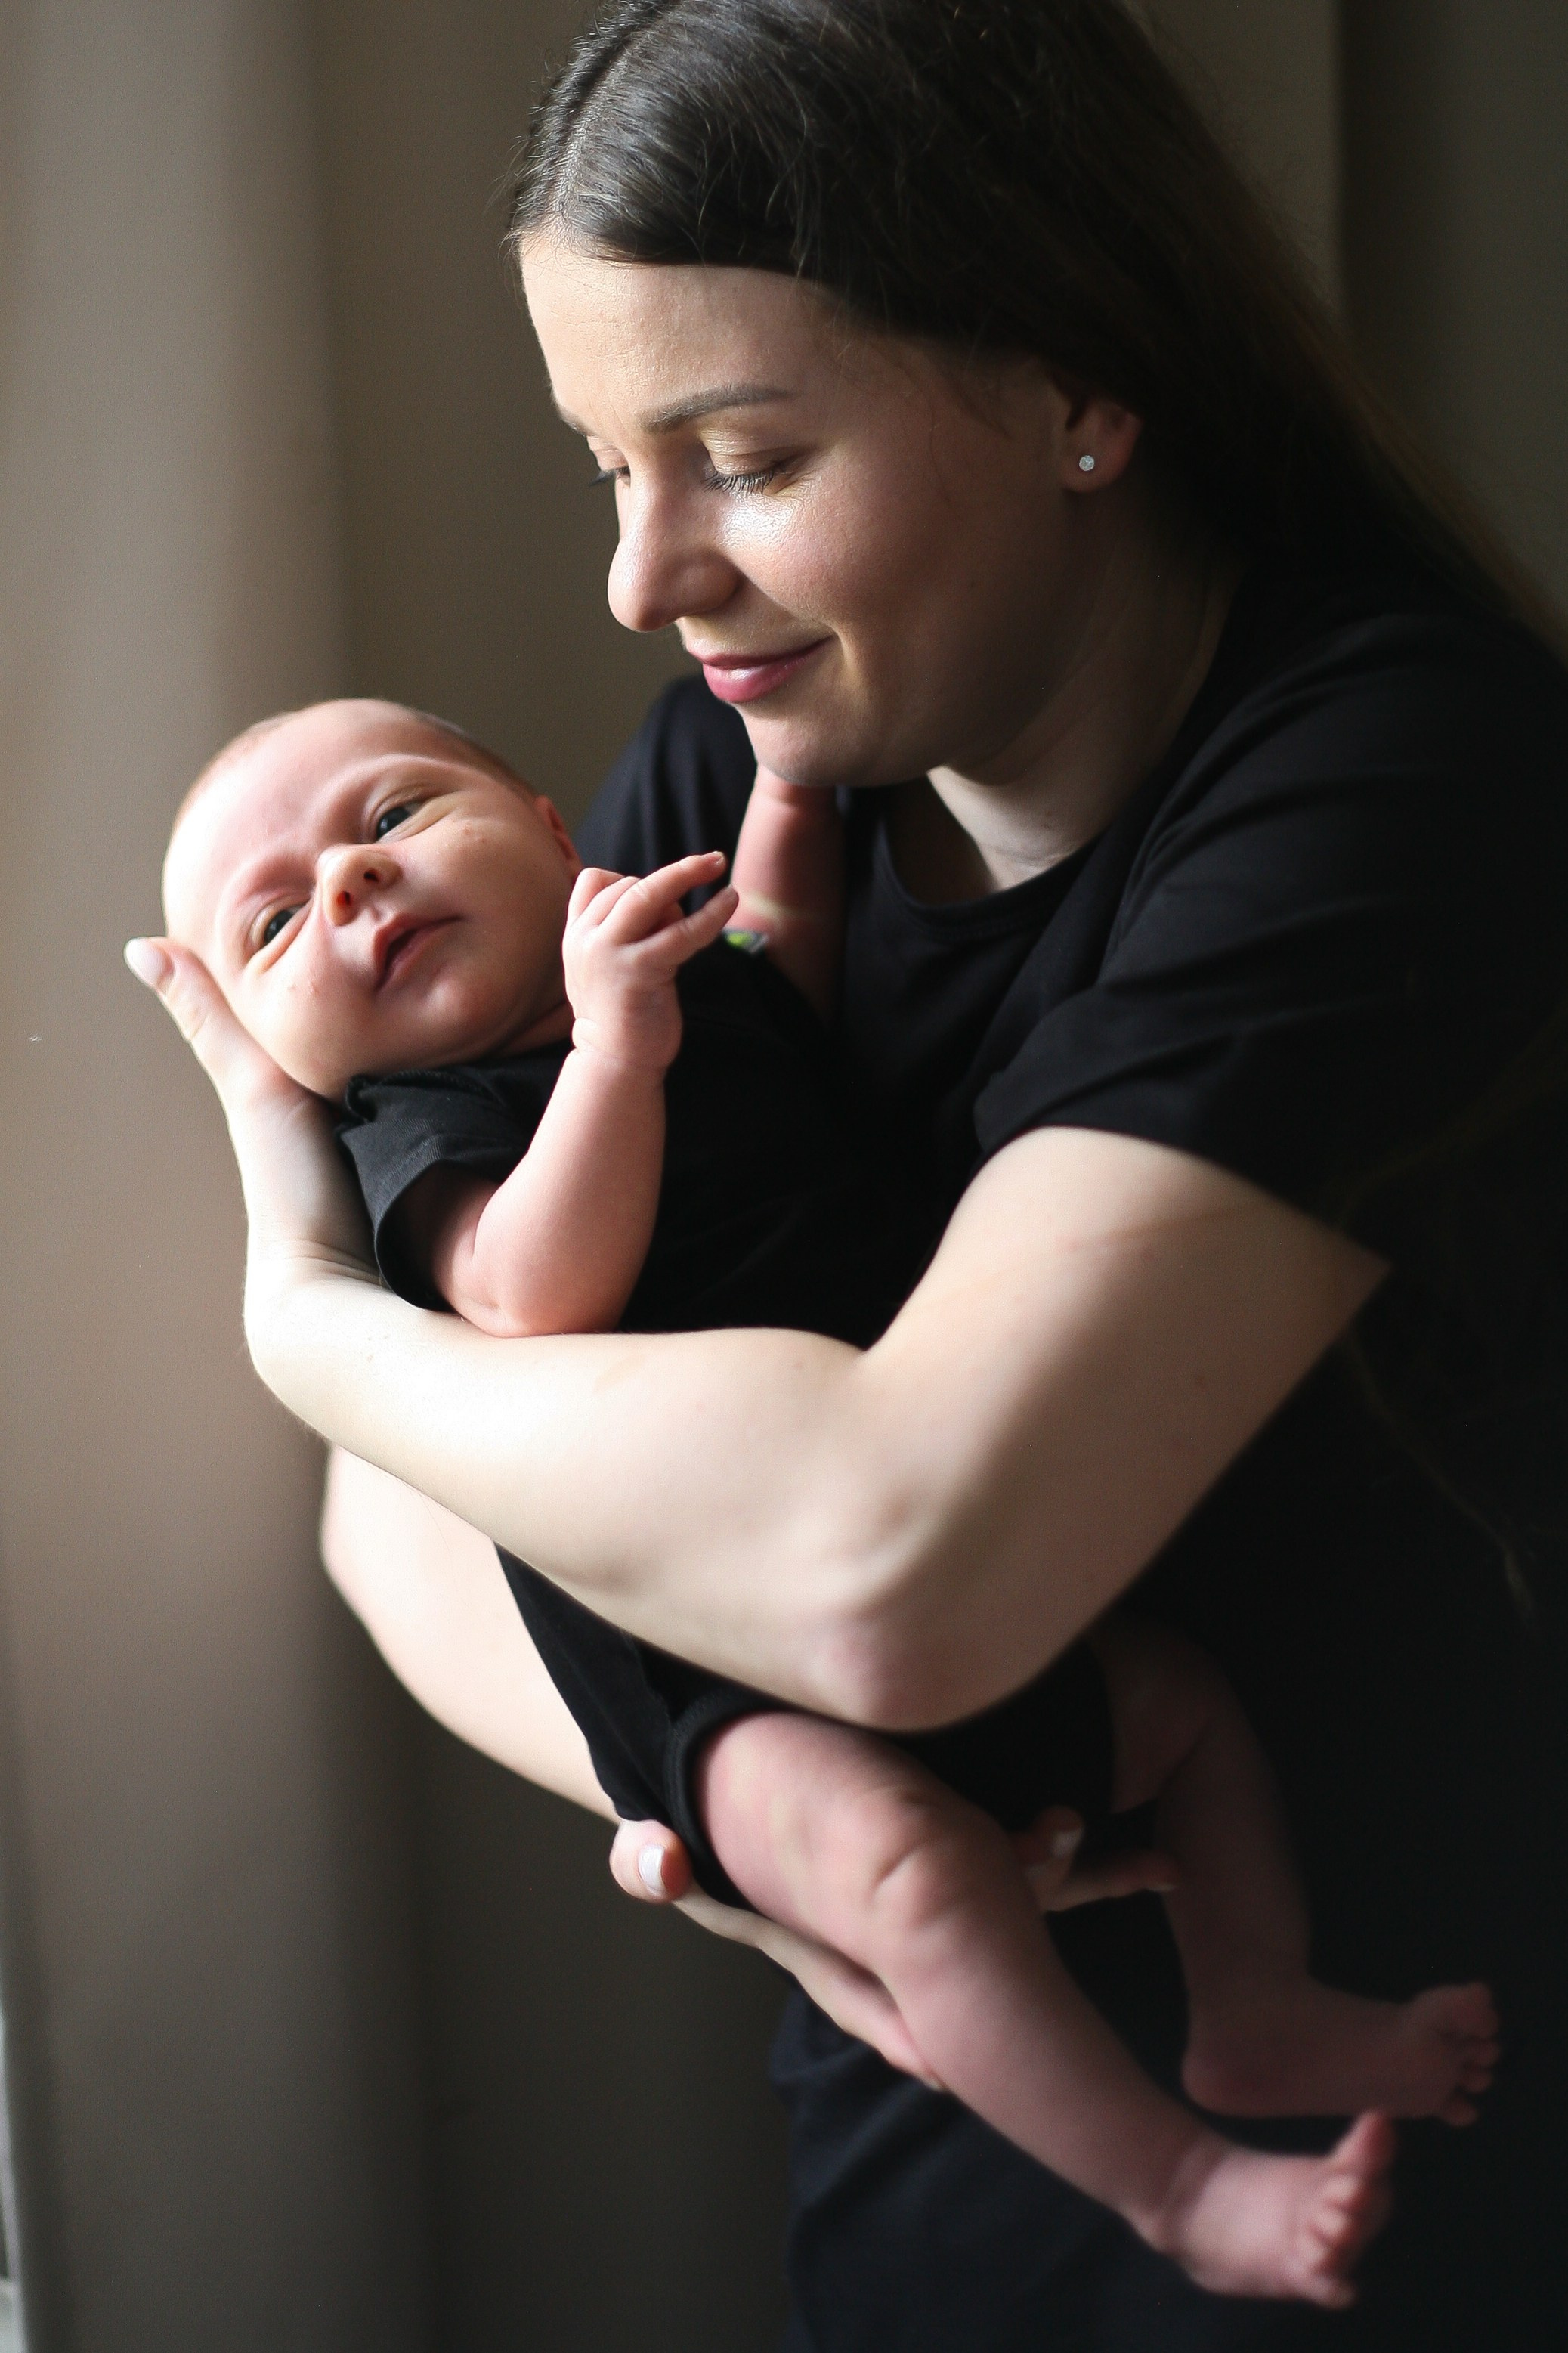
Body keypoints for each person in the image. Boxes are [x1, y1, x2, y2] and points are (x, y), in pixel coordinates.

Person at [126, 2, 1568, 2345]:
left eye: (739, 455)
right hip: (930, 2170)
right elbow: (393, 1509)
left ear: (1080, 386)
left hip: (1396, 2179)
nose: (640, 577)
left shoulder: (1389, 781)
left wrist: (311, 1320)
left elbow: (895, 1567)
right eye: (610, 462)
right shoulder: (732, 776)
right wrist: (749, 1826)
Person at [159, 695, 1502, 2302]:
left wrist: (787, 794)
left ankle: (1255, 2002)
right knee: (910, 1881)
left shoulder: (649, 966)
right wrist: (611, 1053)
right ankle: (1181, 2187)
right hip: (703, 1669)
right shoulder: (424, 1137)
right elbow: (528, 1298)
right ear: (282, 1062)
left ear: (546, 828)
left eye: (389, 821)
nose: (354, 888)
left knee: (1191, 1717)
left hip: (942, 1569)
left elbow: (786, 969)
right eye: (278, 921)